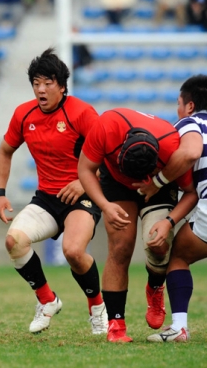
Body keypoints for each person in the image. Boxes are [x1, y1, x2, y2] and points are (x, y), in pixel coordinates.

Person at [0, 48, 107, 336]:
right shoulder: (23, 114)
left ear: (62, 86)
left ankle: (97, 309)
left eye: (48, 83)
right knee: (14, 242)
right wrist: (0, 193)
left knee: (72, 251)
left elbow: (109, 154)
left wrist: (84, 182)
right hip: (46, 197)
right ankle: (47, 300)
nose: (41, 90)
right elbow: (5, 151)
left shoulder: (81, 113)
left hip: (82, 196)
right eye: (36, 83)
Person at [78, 107, 195, 343]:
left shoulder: (171, 147)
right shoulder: (107, 126)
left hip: (160, 184)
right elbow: (85, 169)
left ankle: (155, 286)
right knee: (120, 247)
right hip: (115, 182)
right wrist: (105, 205)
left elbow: (191, 193)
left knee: (158, 245)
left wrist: (169, 221)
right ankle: (116, 325)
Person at [146, 75, 207, 343]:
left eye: (178, 104)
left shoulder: (189, 123)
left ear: (190, 106)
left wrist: (158, 181)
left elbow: (192, 152)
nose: (178, 110)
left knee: (178, 257)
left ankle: (179, 327)